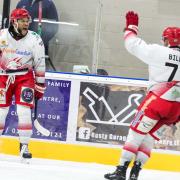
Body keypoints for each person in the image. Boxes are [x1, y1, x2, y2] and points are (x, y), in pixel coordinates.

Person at [104, 11, 180, 180]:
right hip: (176, 108)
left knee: (136, 133)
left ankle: (121, 170)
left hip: (157, 101)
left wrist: (131, 27)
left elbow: (131, 44)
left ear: (167, 40)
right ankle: (136, 173)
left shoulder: (158, 51)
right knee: (150, 137)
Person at [0, 8, 46, 160]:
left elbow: (40, 64)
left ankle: (24, 145)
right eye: (23, 21)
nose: (26, 23)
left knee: (24, 112)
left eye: (27, 21)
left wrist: (40, 86)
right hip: (3, 77)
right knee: (1, 113)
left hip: (25, 77)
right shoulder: (2, 35)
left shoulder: (35, 39)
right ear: (14, 21)